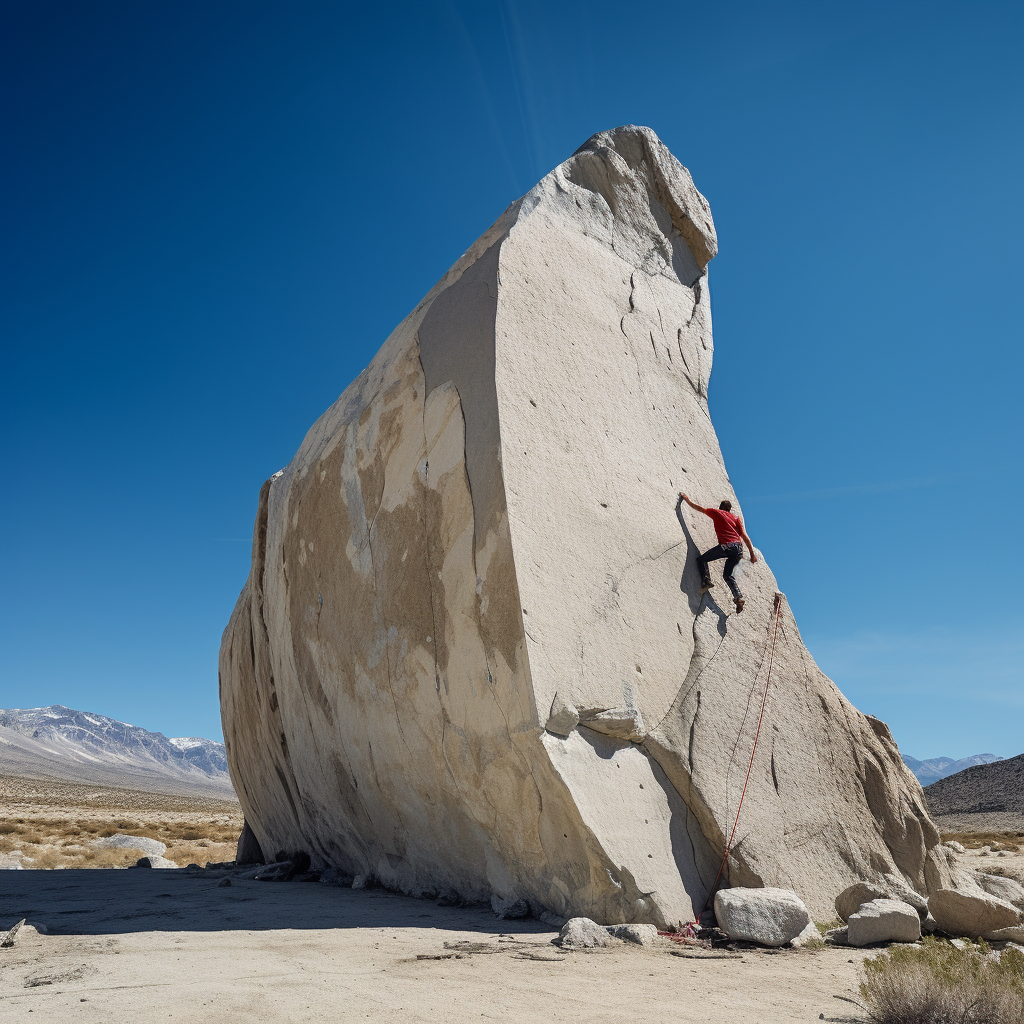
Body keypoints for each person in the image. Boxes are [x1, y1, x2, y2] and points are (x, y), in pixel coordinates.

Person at [678, 492, 757, 612]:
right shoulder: (735, 518)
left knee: (701, 559)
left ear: (721, 507)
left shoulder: (717, 512)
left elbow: (699, 508)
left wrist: (687, 500)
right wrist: (752, 555)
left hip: (727, 546)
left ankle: (706, 581)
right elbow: (745, 537)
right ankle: (738, 597)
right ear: (730, 509)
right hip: (738, 549)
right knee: (728, 575)